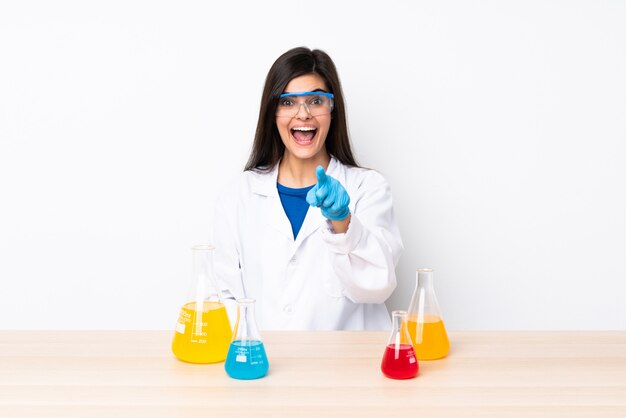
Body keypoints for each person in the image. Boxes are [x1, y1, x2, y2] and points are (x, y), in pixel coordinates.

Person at [212, 47, 403, 330]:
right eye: (288, 102)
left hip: (348, 370)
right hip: (264, 367)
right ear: (272, 111)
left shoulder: (367, 188)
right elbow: (220, 295)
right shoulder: (240, 194)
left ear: (332, 109)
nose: (303, 115)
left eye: (316, 100)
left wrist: (343, 221)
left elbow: (377, 286)